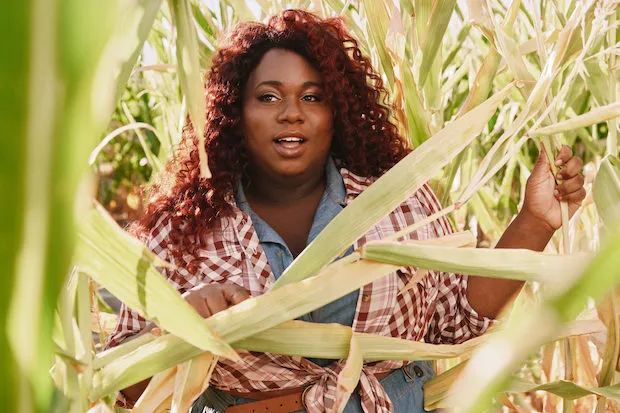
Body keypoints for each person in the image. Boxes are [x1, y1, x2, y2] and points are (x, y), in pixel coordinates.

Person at [105, 9, 586, 413]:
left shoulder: (399, 202)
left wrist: (535, 220)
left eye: (312, 97)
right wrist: (176, 327)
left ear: (337, 114)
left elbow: (453, 323)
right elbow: (121, 385)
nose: (291, 112)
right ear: (234, 112)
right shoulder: (181, 229)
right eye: (268, 96)